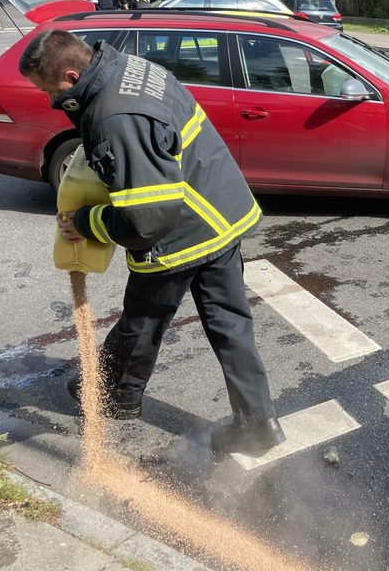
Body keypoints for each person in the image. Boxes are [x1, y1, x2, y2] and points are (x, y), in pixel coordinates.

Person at [19, 30, 284, 457]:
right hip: (220, 211)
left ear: (71, 74)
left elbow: (146, 220)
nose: (50, 99)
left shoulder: (113, 116)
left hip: (179, 231)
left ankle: (116, 394)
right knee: (231, 325)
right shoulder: (128, 68)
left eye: (51, 91)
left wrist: (88, 222)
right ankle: (256, 424)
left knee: (144, 313)